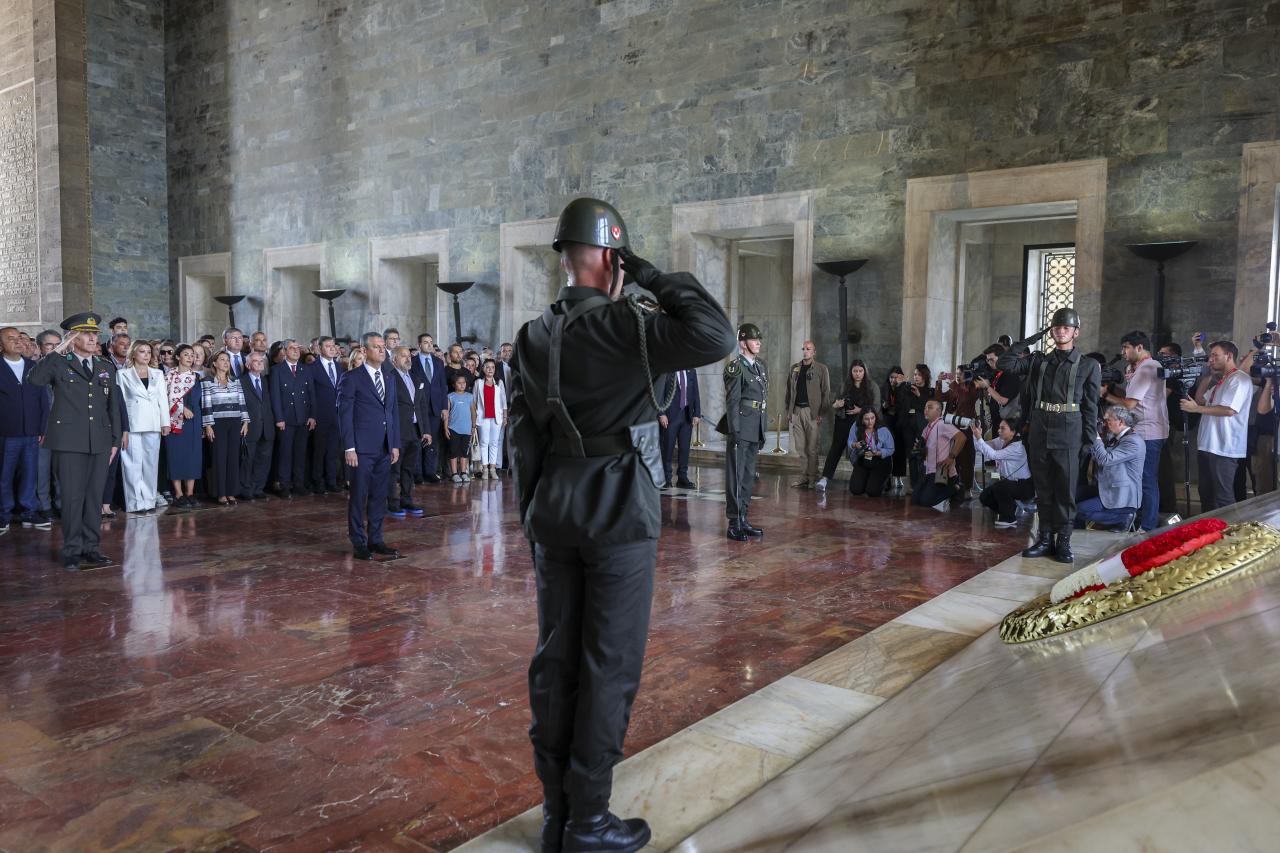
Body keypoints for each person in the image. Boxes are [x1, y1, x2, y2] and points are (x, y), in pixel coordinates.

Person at [508, 197, 733, 852]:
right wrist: (653, 276)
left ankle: (556, 814)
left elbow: (524, 437)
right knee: (608, 663)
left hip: (554, 509)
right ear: (613, 259)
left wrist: (532, 514)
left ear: (565, 258)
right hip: (618, 511)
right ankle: (589, 821)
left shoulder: (533, 335)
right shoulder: (626, 326)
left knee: (556, 659)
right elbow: (715, 334)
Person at [998, 307, 1101, 563]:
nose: (1060, 332)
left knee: (1065, 491)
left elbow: (1091, 407)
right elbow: (1004, 363)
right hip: (1040, 430)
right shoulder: (1038, 361)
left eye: (1066, 328)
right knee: (1043, 490)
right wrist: (1033, 338)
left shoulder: (1088, 365)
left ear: (1076, 332)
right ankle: (1044, 539)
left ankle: (1063, 541)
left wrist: (1088, 441)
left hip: (1070, 432)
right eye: (1056, 328)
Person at [27, 312, 123, 570]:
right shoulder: (59, 363)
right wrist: (59, 348)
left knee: (94, 498)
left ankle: (92, 548)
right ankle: (71, 550)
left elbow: (113, 406)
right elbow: (34, 380)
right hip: (68, 442)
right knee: (72, 498)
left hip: (100, 441)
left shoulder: (105, 366)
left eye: (95, 334)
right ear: (72, 337)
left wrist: (115, 439)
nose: (93, 338)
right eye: (86, 334)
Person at [338, 332, 400, 560]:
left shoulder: (389, 377)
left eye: (383, 346)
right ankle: (359, 542)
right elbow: (344, 415)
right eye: (376, 347)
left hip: (384, 447)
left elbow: (392, 412)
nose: (382, 350)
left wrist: (394, 444)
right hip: (361, 449)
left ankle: (376, 539)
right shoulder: (352, 378)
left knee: (379, 496)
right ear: (364, 351)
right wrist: (349, 447)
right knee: (358, 496)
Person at [1101, 330, 1168, 530]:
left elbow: (1130, 404)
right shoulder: (1142, 367)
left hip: (1149, 433)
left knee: (1146, 480)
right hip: (1143, 430)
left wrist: (1105, 395)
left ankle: (1148, 526)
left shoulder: (1147, 367)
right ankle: (1135, 521)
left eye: (1126, 348)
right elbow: (1134, 398)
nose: (1123, 352)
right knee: (1136, 478)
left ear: (1139, 347)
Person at [1182, 339, 1252, 511]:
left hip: (1224, 447)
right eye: (1210, 356)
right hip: (1208, 445)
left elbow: (1229, 410)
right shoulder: (1221, 381)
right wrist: (1207, 376)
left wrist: (1196, 409)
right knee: (1206, 494)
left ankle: (1230, 528)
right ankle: (1209, 528)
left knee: (1223, 497)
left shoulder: (1239, 379)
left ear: (1229, 356)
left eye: (1215, 355)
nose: (1211, 359)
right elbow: (1200, 399)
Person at [1, 326, 50, 534]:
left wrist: (43, 428)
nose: (17, 341)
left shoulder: (33, 366)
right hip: (5, 433)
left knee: (30, 473)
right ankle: (3, 513)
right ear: (1, 345)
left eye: (19, 338)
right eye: (10, 338)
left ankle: (29, 511)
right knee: (4, 475)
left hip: (31, 432)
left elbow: (43, 400)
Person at [723, 323, 769, 540]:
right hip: (741, 429)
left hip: (755, 428)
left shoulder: (760, 367)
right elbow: (732, 402)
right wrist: (734, 431)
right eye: (753, 339)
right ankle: (734, 522)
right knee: (736, 475)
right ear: (742, 343)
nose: (758, 343)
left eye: (759, 339)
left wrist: (762, 428)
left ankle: (743, 517)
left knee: (748, 476)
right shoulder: (735, 368)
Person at [115, 340, 170, 514]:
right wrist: (123, 428)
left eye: (148, 352)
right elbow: (121, 403)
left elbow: (163, 399)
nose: (146, 355)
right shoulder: (122, 374)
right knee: (132, 464)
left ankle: (149, 501)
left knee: (151, 464)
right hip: (132, 423)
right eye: (142, 351)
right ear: (133, 354)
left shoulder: (158, 373)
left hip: (153, 423)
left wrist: (165, 422)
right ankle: (135, 503)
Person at [1075, 405, 1144, 529]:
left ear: (1121, 422)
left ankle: (1124, 517)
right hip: (1107, 489)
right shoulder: (1116, 438)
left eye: (1108, 420)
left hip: (1122, 497)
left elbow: (1105, 460)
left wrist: (1096, 436)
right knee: (1071, 494)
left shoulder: (1133, 441)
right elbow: (1097, 456)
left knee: (1078, 511)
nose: (1105, 424)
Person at [818, 360, 878, 492]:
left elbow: (876, 407)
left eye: (860, 371)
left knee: (863, 451)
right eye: (855, 371)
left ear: (865, 372)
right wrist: (837, 404)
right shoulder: (845, 385)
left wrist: (860, 410)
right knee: (835, 449)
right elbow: (835, 402)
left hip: (862, 424)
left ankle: (866, 478)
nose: (857, 374)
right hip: (843, 422)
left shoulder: (872, 386)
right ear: (851, 372)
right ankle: (825, 478)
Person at [386, 346, 429, 517]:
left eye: (409, 356)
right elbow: (387, 408)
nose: (408, 358)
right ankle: (392, 502)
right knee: (394, 469)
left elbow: (421, 406)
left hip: (415, 430)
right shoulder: (389, 377)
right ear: (394, 360)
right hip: (398, 430)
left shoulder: (415, 378)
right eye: (403, 356)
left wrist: (426, 430)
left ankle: (406, 499)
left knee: (409, 468)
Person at [202, 351, 249, 506]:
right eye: (222, 359)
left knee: (233, 458)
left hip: (235, 422)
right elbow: (206, 404)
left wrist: (245, 421)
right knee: (219, 458)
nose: (226, 362)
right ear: (214, 363)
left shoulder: (235, 381)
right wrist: (208, 425)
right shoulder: (207, 381)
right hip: (217, 424)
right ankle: (220, 493)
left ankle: (231, 492)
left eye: (227, 360)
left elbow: (242, 402)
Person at [270, 339, 314, 498]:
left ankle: (298, 484)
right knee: (285, 454)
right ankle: (284, 485)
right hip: (286, 418)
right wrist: (279, 418)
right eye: (291, 348)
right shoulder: (277, 370)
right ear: (284, 351)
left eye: (297, 348)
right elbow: (275, 396)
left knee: (300, 453)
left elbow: (311, 394)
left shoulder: (305, 369)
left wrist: (312, 415)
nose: (296, 350)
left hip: (303, 417)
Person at [783, 340, 830, 489]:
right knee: (800, 448)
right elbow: (789, 391)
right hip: (796, 411)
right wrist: (788, 411)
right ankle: (803, 476)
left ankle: (813, 477)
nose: (805, 351)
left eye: (808, 349)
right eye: (803, 349)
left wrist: (821, 413)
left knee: (812, 448)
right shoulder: (795, 368)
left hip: (812, 412)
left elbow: (826, 392)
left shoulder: (821, 369)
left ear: (814, 352)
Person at [970, 419, 1032, 527]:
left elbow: (993, 455)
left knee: (1000, 487)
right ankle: (1009, 509)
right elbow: (980, 448)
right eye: (999, 428)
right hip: (1008, 483)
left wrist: (979, 438)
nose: (999, 430)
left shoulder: (1017, 446)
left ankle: (1009, 519)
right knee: (984, 497)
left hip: (1024, 485)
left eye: (1003, 428)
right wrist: (976, 435)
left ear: (1013, 432)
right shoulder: (1001, 440)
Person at [164, 345, 203, 508]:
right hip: (174, 421)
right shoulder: (168, 376)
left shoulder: (196, 377)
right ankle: (178, 494)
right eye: (186, 354)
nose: (190, 358)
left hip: (193, 421)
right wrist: (181, 408)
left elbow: (199, 400)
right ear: (178, 356)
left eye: (192, 355)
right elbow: (163, 398)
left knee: (192, 456)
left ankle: (190, 493)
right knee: (176, 456)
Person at [306, 336, 344, 495]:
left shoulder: (339, 367)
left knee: (333, 451)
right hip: (320, 416)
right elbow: (310, 394)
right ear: (320, 349)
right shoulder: (312, 367)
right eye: (328, 346)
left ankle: (331, 481)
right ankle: (318, 482)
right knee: (319, 451)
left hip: (337, 415)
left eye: (333, 346)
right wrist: (312, 415)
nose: (332, 348)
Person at [911, 399, 966, 510]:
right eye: (925, 408)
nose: (926, 410)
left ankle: (957, 487)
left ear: (939, 411)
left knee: (926, 501)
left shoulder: (942, 424)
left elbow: (961, 437)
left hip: (942, 472)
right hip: (929, 471)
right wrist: (918, 448)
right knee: (915, 499)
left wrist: (951, 457)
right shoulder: (927, 428)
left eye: (930, 407)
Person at [33, 329, 61, 522]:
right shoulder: (33, 369)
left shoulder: (70, 367)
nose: (54, 348)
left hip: (65, 429)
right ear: (40, 348)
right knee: (41, 469)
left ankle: (62, 504)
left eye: (57, 344)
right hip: (42, 429)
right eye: (49, 345)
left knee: (62, 470)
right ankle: (43, 505)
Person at [411, 333, 447, 483]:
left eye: (431, 342)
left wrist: (444, 407)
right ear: (419, 345)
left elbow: (443, 386)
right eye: (426, 342)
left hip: (435, 406)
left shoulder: (438, 362)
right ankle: (417, 472)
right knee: (419, 439)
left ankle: (430, 471)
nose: (429, 345)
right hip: (418, 406)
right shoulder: (412, 361)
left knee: (432, 441)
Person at [240, 352, 275, 500]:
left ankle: (258, 489)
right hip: (249, 427)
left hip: (267, 427)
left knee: (263, 461)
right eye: (256, 361)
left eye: (261, 361)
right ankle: (246, 490)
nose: (260, 363)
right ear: (248, 365)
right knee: (247, 461)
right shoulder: (241, 381)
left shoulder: (267, 381)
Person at [659, 367, 701, 489]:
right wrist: (661, 413)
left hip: (687, 415)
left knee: (684, 449)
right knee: (667, 448)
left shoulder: (691, 371)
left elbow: (695, 392)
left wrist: (697, 413)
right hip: (670, 416)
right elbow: (659, 393)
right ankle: (666, 478)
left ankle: (682, 477)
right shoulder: (666, 371)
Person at [846, 409, 894, 497]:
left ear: (876, 417)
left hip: (880, 461)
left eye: (872, 418)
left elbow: (891, 449)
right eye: (866, 419)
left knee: (872, 492)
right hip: (864, 459)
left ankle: (886, 481)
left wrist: (877, 453)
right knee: (855, 490)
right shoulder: (856, 426)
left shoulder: (883, 429)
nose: (870, 422)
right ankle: (868, 479)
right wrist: (855, 445)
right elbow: (850, 441)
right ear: (862, 420)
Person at [900, 364, 934, 486]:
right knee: (911, 454)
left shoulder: (930, 391)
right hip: (909, 425)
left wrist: (919, 395)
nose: (916, 377)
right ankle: (913, 484)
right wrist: (902, 386)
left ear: (925, 376)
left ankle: (922, 483)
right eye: (915, 374)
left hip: (922, 426)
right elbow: (903, 405)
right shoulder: (908, 389)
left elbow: (930, 407)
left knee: (921, 453)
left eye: (919, 375)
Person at [474, 358, 507, 480]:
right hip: (482, 417)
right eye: (487, 367)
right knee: (484, 442)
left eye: (492, 367)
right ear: (483, 369)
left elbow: (504, 401)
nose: (490, 369)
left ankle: (493, 469)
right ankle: (485, 469)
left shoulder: (499, 382)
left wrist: (505, 416)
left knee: (494, 443)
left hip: (496, 417)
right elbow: (474, 401)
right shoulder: (478, 383)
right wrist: (474, 418)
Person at [444, 373, 475, 482]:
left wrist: (473, 426)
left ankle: (463, 472)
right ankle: (454, 473)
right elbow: (446, 413)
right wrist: (445, 428)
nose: (462, 385)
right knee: (453, 451)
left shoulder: (470, 396)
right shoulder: (450, 396)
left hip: (466, 429)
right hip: (453, 428)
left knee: (464, 452)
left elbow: (473, 412)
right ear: (454, 384)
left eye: (464, 383)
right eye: (459, 383)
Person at [881, 366, 908, 493]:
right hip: (887, 421)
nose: (893, 380)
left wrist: (900, 386)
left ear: (901, 378)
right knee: (888, 448)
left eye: (896, 377)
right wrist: (884, 406)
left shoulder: (904, 388)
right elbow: (880, 406)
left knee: (900, 449)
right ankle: (887, 477)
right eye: (891, 377)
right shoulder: (884, 388)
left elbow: (903, 404)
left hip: (900, 421)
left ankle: (898, 476)